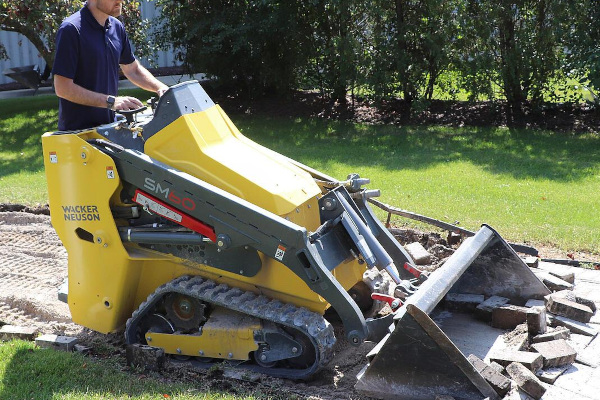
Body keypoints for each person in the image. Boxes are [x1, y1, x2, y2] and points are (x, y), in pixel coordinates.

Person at [53, 0, 169, 131]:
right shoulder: (71, 29)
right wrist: (111, 102)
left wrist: (161, 88)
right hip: (77, 134)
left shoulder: (117, 27)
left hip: (109, 129)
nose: (120, 1)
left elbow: (133, 69)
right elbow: (62, 88)